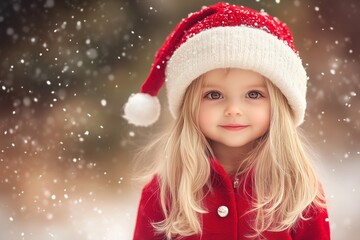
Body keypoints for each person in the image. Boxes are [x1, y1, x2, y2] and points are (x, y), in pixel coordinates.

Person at [123, 2, 330, 239]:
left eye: (254, 94)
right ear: (190, 106)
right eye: (214, 95)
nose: (233, 109)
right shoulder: (164, 191)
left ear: (279, 105)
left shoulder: (300, 190)